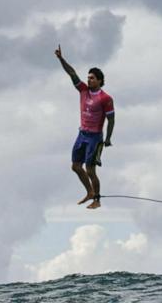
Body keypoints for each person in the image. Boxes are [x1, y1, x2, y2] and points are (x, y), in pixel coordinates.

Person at [55, 44, 115, 209]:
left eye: (92, 78)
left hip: (95, 138)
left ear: (100, 81)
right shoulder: (83, 90)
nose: (89, 80)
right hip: (82, 134)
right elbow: (72, 73)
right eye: (88, 77)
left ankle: (97, 199)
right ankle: (89, 192)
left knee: (90, 170)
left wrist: (108, 138)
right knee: (75, 166)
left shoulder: (105, 98)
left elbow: (111, 120)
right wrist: (61, 59)